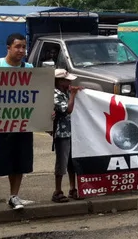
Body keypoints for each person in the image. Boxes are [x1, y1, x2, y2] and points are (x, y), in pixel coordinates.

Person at [0, 33, 34, 212]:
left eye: (24, 47)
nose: (21, 50)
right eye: (18, 46)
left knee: (19, 163)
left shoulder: (29, 68)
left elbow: (36, 95)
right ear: (8, 48)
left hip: (22, 124)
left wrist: (44, 111)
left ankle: (13, 196)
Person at [52, 69, 82, 203]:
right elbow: (67, 109)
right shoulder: (55, 94)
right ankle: (57, 191)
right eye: (67, 80)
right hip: (62, 132)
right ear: (59, 81)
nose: (70, 82)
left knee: (72, 162)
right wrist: (73, 95)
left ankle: (73, 188)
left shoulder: (67, 92)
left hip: (73, 131)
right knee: (62, 162)